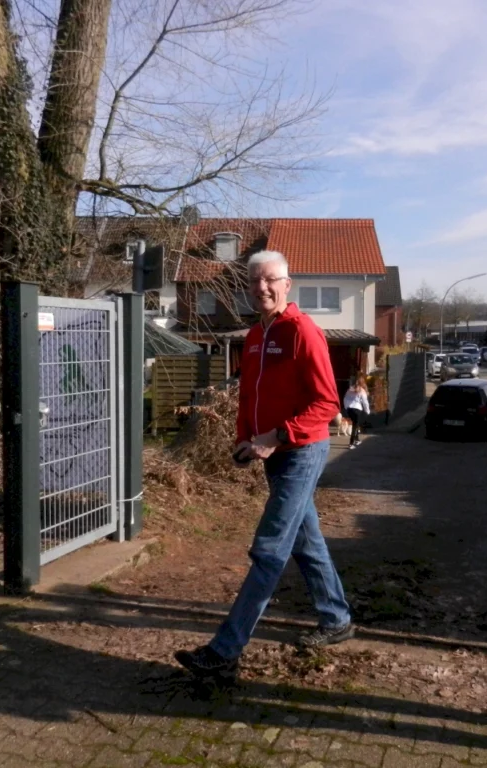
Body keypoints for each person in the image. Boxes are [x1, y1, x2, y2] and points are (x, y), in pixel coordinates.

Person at [175, 250, 354, 680]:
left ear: (287, 285)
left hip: (300, 451)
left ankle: (226, 649)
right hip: (267, 452)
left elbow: (327, 402)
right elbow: (248, 396)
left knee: (270, 548)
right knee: (306, 540)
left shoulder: (302, 332)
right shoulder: (254, 335)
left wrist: (275, 438)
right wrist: (243, 438)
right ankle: (337, 619)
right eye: (254, 282)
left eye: (270, 280)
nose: (262, 288)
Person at [343, 374, 370, 448]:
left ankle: (357, 440)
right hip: (357, 410)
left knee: (355, 424)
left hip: (349, 409)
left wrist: (346, 407)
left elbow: (345, 398)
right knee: (355, 426)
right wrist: (367, 411)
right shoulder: (362, 391)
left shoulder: (350, 389)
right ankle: (351, 443)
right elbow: (365, 402)